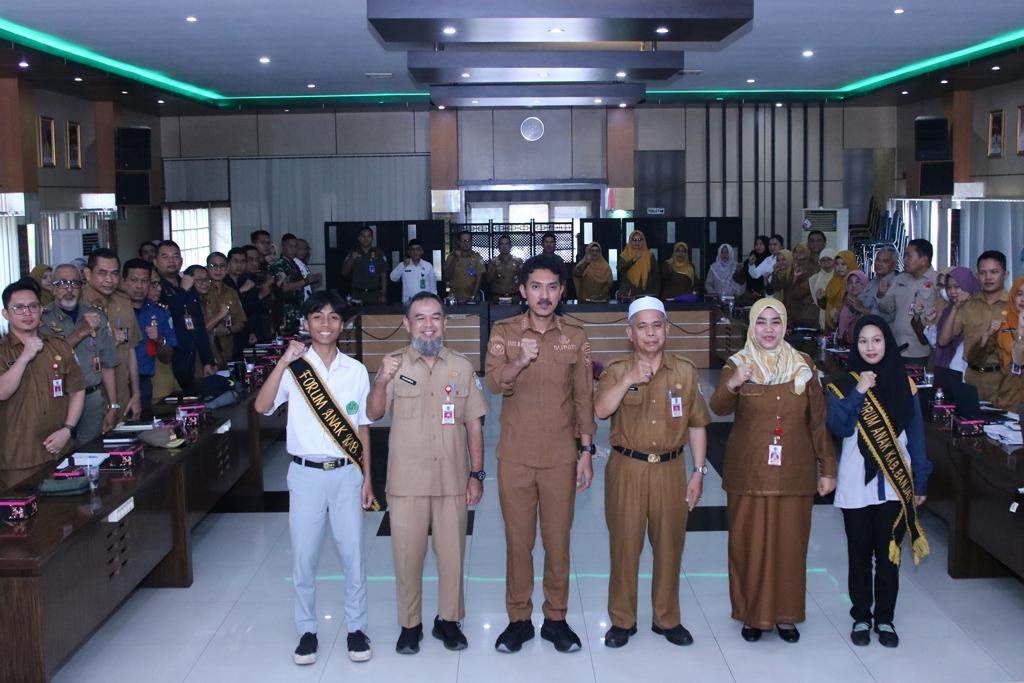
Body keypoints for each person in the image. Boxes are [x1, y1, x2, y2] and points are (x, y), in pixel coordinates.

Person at [253, 291, 375, 666]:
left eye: (334, 317)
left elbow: (363, 428)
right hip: (305, 475)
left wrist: (368, 479)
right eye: (318, 317)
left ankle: (356, 627)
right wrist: (282, 361)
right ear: (306, 322)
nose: (326, 324)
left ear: (343, 324)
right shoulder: (294, 367)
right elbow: (261, 407)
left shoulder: (355, 370)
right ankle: (306, 630)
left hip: (346, 474)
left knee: (353, 554)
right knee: (304, 557)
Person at [484, 254, 595, 654]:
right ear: (523, 291)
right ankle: (518, 620)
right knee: (518, 542)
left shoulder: (576, 336)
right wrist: (519, 360)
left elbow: (584, 396)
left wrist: (586, 451)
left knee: (557, 541)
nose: (544, 295)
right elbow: (494, 383)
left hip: (561, 456)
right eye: (536, 286)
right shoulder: (505, 331)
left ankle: (556, 618)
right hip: (514, 455)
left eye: (552, 286)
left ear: (562, 290)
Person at [365, 292, 487, 654]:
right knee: (407, 556)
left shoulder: (462, 367)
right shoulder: (393, 365)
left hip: (452, 479)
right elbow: (372, 415)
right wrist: (381, 382)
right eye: (420, 318)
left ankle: (448, 621)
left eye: (436, 317)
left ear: (445, 322)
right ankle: (410, 624)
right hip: (407, 481)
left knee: (452, 556)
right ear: (407, 324)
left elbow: (474, 425)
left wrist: (476, 474)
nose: (429, 325)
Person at [709, 298, 836, 643]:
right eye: (761, 322)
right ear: (751, 326)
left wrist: (827, 468)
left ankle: (786, 615)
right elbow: (718, 407)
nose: (768, 329)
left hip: (795, 469)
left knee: (790, 544)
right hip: (748, 471)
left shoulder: (804, 365)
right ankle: (752, 613)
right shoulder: (739, 363)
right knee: (748, 543)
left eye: (775, 322)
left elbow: (818, 421)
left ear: (785, 326)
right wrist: (734, 382)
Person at [593, 296, 710, 648]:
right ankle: (622, 621)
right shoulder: (616, 370)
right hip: (627, 469)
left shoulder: (685, 370)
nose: (650, 334)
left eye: (656, 326)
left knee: (670, 547)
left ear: (667, 329)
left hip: (672, 470)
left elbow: (697, 425)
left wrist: (699, 471)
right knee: (624, 547)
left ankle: (667, 618)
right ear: (630, 333)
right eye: (641, 327)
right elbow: (600, 410)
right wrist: (630, 377)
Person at [825, 315, 931, 649]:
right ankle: (860, 614)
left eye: (877, 340)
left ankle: (885, 618)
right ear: (854, 346)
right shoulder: (842, 384)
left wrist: (922, 480)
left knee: (889, 556)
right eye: (863, 341)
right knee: (858, 554)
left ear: (886, 342)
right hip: (857, 481)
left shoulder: (906, 385)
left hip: (895, 482)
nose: (870, 347)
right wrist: (859, 391)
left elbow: (916, 438)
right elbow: (839, 427)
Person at [0, 280, 84, 490]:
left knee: (65, 515)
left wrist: (68, 430)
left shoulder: (57, 345)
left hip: (59, 449)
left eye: (33, 306)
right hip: (19, 458)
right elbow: (2, 392)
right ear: (5, 314)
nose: (27, 312)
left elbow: (77, 389)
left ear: (41, 310)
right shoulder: (2, 351)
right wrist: (25, 356)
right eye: (18, 307)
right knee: (22, 517)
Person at [41, 264, 119, 444]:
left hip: (91, 399)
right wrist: (80, 332)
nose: (69, 289)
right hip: (58, 400)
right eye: (62, 283)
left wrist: (114, 405)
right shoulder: (42, 319)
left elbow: (108, 365)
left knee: (92, 454)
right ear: (52, 288)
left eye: (74, 283)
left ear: (81, 287)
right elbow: (48, 359)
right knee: (59, 458)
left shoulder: (97, 316)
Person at [83, 248, 142, 422]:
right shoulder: (77, 305)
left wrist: (136, 393)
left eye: (114, 273)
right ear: (87, 273)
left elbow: (131, 350)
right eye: (102, 273)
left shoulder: (123, 302)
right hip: (92, 398)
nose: (109, 280)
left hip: (123, 394)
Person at [948, 251, 1010, 402]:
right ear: (977, 276)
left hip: (1002, 381)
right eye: (983, 273)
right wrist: (955, 307)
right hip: (971, 378)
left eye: (994, 272)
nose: (988, 277)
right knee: (970, 422)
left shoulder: (1014, 307)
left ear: (1005, 274)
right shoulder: (968, 304)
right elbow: (945, 339)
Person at [155, 240, 215, 394]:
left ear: (181, 261)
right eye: (165, 257)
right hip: (170, 359)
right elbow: (169, 316)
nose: (171, 261)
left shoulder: (186, 283)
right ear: (156, 261)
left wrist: (207, 360)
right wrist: (182, 291)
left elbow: (199, 324)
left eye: (175, 257)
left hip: (191, 357)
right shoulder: (155, 287)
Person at [122, 259, 176, 410]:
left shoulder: (159, 312)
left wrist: (159, 339)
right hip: (117, 382)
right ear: (123, 281)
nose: (139, 286)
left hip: (144, 381)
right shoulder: (113, 310)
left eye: (145, 281)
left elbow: (167, 357)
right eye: (134, 280)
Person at [876, 239, 937, 366]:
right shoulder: (900, 279)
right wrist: (881, 295)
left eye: (909, 256)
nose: (904, 260)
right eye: (904, 256)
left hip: (921, 351)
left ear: (924, 260)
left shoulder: (937, 281)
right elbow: (887, 308)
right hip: (896, 346)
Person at [930, 267, 980, 373]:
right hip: (948, 367)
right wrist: (955, 308)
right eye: (949, 287)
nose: (952, 292)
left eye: (957, 287)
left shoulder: (980, 307)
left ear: (967, 285)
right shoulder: (948, 310)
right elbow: (942, 341)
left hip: (972, 370)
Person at [203, 252, 248, 368]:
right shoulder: (201, 291)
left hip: (228, 352)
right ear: (206, 268)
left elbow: (241, 321)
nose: (218, 270)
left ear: (227, 269)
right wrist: (214, 330)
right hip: (206, 353)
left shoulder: (231, 292)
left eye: (222, 266)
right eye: (213, 266)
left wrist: (229, 330)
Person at [147, 273, 180, 403]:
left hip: (161, 377)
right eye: (153, 284)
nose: (159, 289)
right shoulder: (126, 309)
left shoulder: (161, 311)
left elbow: (169, 352)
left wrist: (160, 340)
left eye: (159, 284)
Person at [992, 276, 1024, 411]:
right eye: (1020, 294)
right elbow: (1017, 359)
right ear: (1013, 297)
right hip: (1009, 396)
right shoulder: (1004, 323)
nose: (1023, 299)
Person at [270, 233, 311, 332]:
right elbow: (284, 287)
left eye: (295, 246)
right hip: (285, 311)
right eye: (290, 246)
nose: (293, 249)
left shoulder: (294, 263)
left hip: (298, 310)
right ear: (283, 247)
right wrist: (307, 281)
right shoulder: (279, 265)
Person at [225, 247, 260, 356]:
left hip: (247, 331)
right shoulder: (224, 282)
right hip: (230, 332)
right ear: (228, 263)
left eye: (243, 261)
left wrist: (251, 331)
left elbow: (252, 308)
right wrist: (241, 291)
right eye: (235, 261)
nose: (239, 265)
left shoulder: (246, 280)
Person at [772, 248, 818, 329]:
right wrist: (775, 274)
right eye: (778, 260)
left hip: (799, 312)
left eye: (783, 259)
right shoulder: (782, 273)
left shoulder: (798, 271)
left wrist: (795, 278)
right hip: (787, 310)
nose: (780, 263)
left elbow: (796, 292)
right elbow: (776, 288)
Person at [343, 228, 389, 304]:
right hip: (357, 294)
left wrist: (383, 295)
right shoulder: (352, 253)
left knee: (375, 316)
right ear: (359, 238)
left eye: (368, 236)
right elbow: (344, 273)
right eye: (363, 236)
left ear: (372, 238)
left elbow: (383, 276)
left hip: (375, 294)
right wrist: (352, 259)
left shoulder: (379, 253)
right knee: (357, 315)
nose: (366, 239)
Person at [243, 244, 274, 342]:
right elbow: (243, 309)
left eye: (257, 259)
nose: (254, 263)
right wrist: (260, 295)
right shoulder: (239, 282)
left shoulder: (258, 277)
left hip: (263, 327)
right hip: (248, 332)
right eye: (250, 260)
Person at [390, 239, 437, 304]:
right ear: (409, 252)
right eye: (412, 249)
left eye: (418, 249)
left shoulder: (428, 266)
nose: (415, 252)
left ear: (422, 251)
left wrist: (434, 302)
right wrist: (403, 266)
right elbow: (393, 278)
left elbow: (433, 287)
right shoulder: (403, 264)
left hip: (425, 302)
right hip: (408, 302)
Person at [443, 230, 484, 303]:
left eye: (468, 240)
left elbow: (479, 279)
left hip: (471, 296)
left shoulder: (477, 257)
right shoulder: (451, 256)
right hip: (454, 297)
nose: (466, 243)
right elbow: (446, 276)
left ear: (471, 242)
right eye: (463, 240)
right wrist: (455, 259)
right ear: (459, 242)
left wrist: (473, 297)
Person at [617, 230, 659, 300]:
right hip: (628, 292)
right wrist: (633, 260)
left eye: (640, 240)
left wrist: (656, 293)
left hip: (647, 293)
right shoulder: (625, 255)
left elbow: (656, 275)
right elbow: (620, 269)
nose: (637, 242)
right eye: (634, 240)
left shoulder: (650, 256)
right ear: (630, 241)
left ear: (643, 241)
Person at [824, 250, 858, 333]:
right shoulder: (834, 281)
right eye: (837, 264)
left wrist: (839, 315)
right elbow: (827, 303)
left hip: (849, 326)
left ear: (850, 264)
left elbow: (857, 308)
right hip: (831, 324)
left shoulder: (856, 282)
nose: (840, 267)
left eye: (843, 264)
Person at [485, 234, 523, 303]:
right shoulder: (493, 261)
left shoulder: (518, 261)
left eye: (507, 244)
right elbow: (488, 280)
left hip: (514, 297)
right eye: (502, 244)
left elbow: (523, 279)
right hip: (497, 297)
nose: (504, 246)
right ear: (498, 247)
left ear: (510, 246)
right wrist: (494, 268)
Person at [861, 247, 898, 316]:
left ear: (894, 265)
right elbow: (862, 300)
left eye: (885, 261)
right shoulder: (874, 280)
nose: (879, 264)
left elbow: (890, 316)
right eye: (877, 260)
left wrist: (881, 296)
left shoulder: (896, 283)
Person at [837, 270, 871, 345]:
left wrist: (862, 310)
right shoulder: (846, 303)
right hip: (846, 346)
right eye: (850, 282)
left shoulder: (870, 302)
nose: (853, 285)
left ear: (865, 283)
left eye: (858, 282)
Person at [809, 248, 836, 328]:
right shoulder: (814, 279)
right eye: (823, 260)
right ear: (819, 263)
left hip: (836, 314)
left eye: (829, 259)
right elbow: (816, 300)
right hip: (820, 315)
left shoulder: (838, 277)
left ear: (835, 261)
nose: (826, 263)